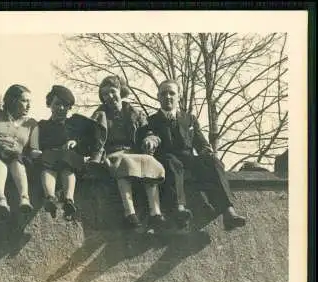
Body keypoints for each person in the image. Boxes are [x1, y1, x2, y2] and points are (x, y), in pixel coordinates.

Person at [145, 79, 247, 231]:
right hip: (167, 159)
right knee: (172, 163)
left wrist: (207, 151)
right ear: (158, 96)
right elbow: (149, 137)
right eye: (164, 93)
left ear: (178, 96)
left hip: (188, 158)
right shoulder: (151, 120)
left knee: (212, 162)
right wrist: (150, 140)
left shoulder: (189, 119)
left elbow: (200, 142)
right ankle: (179, 208)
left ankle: (228, 212)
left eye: (172, 93)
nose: (168, 97)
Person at [90, 75, 167, 230]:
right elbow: (90, 137)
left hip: (134, 151)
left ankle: (155, 212)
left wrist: (151, 139)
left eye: (112, 91)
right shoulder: (99, 114)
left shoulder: (135, 112)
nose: (110, 97)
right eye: (105, 94)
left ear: (120, 91)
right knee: (123, 162)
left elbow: (148, 132)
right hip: (112, 153)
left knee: (148, 161)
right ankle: (129, 212)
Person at [31, 85, 99, 219]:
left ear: (69, 107)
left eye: (65, 105)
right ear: (49, 104)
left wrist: (76, 142)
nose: (61, 108)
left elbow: (91, 137)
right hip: (49, 157)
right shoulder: (42, 125)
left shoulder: (74, 123)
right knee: (47, 167)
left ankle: (69, 200)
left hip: (69, 158)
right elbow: (35, 146)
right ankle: (50, 197)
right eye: (57, 104)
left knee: (68, 167)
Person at [0, 84, 37, 217]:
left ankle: (24, 199)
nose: (28, 105)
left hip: (18, 158)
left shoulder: (31, 123)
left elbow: (34, 149)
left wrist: (39, 153)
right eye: (25, 101)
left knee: (16, 160)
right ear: (13, 100)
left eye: (29, 102)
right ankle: (1, 200)